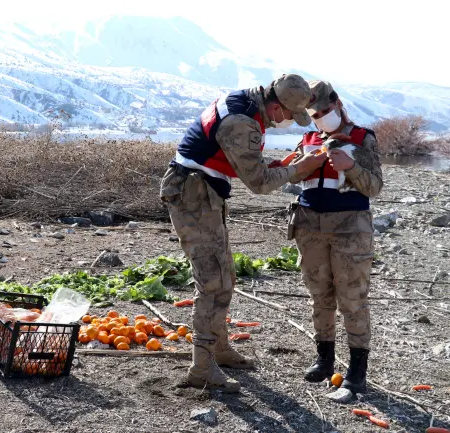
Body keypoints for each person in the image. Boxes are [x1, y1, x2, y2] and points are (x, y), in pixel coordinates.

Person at [160, 74, 319, 393]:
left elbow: (239, 159)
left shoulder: (247, 104)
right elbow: (259, 183)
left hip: (202, 190)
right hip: (194, 193)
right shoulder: (242, 121)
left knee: (225, 275)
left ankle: (219, 350)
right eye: (288, 115)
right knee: (212, 280)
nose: (286, 121)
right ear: (276, 105)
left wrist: (278, 164)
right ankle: (202, 369)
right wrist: (299, 170)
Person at [287, 80, 383, 393]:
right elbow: (293, 175)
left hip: (350, 226)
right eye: (315, 114)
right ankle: (324, 359)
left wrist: (351, 166)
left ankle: (357, 369)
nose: (321, 118)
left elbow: (374, 187)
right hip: (309, 224)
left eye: (325, 111)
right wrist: (301, 166)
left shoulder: (362, 137)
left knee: (352, 297)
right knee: (320, 294)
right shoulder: (308, 138)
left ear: (337, 103)